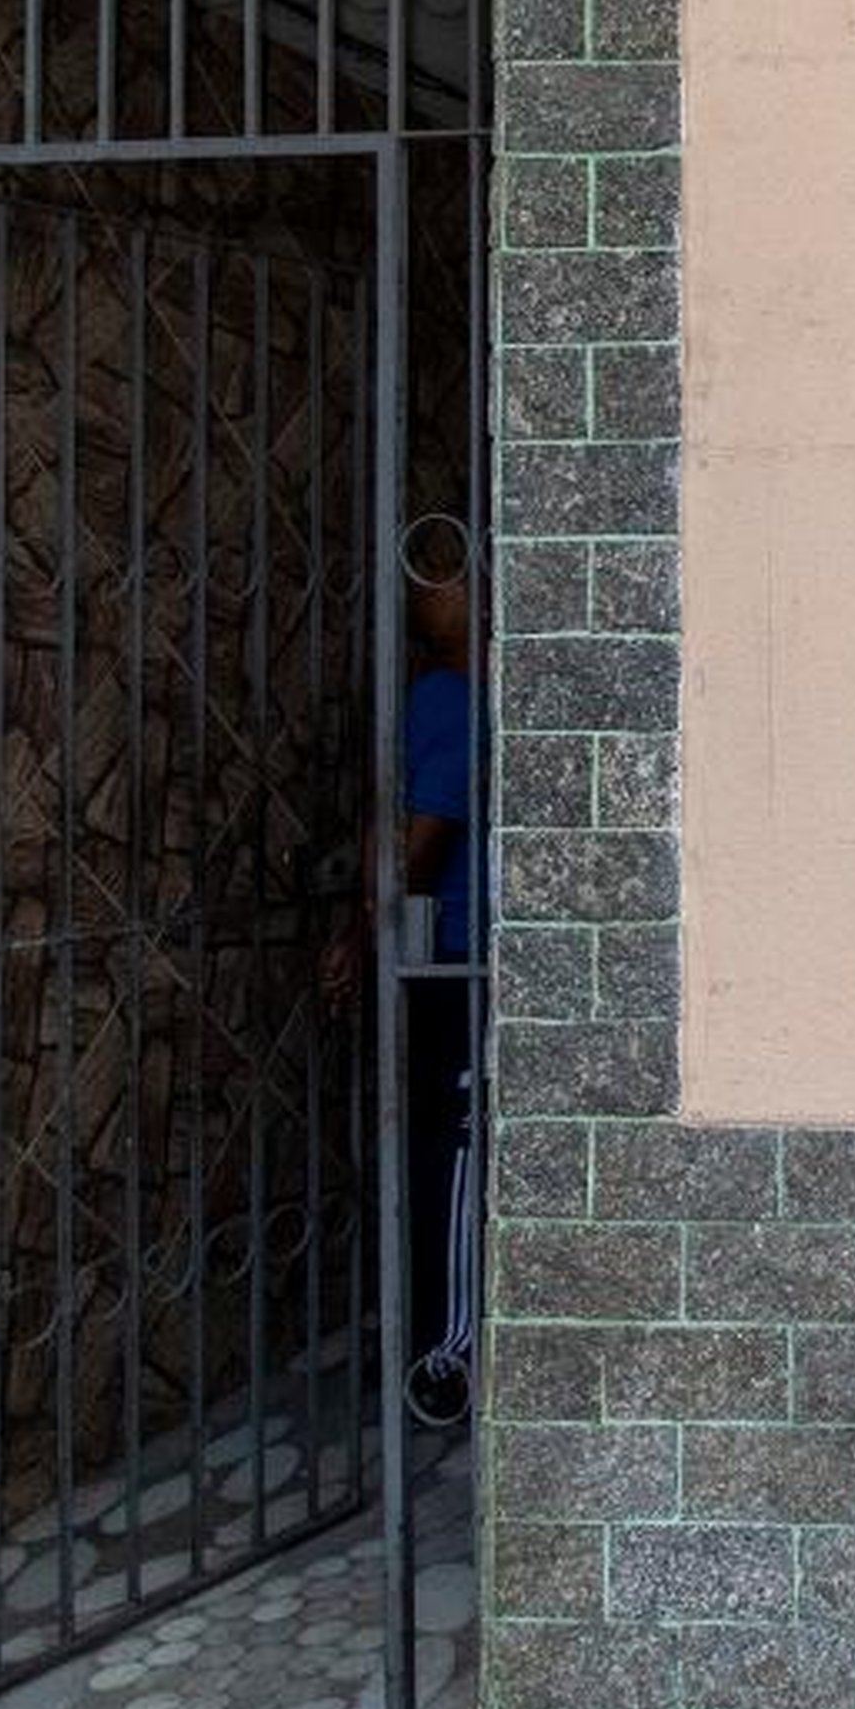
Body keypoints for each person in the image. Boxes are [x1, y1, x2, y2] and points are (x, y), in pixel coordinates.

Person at [322, 575, 484, 1421]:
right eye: (446, 578)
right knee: (453, 1148)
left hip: (453, 956)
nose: (470, 588)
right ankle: (443, 1353)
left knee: (444, 1144)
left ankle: (440, 1340)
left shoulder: (451, 696)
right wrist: (364, 932)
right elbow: (416, 838)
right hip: (451, 956)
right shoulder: (448, 698)